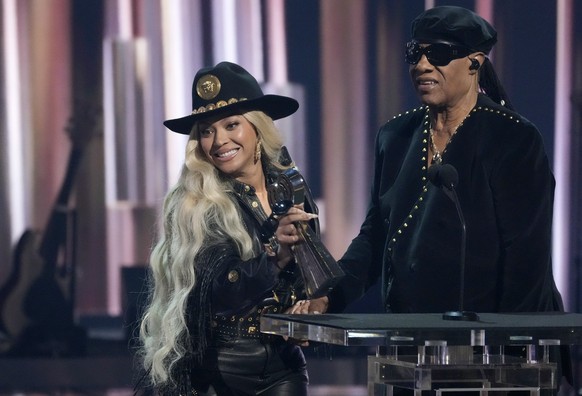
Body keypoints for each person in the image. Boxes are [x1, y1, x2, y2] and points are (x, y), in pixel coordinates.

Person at [301, 5, 572, 390]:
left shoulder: (513, 139)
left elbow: (525, 263)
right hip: (413, 353)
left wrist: (507, 361)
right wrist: (330, 296)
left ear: (475, 62)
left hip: (491, 359)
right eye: (416, 53)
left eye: (439, 54)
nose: (423, 65)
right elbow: (376, 237)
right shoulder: (395, 136)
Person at [137, 61, 319, 395]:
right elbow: (220, 290)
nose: (219, 140)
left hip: (284, 367)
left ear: (257, 128)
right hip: (219, 370)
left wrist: (306, 308)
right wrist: (275, 258)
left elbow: (308, 272)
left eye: (231, 124)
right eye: (207, 130)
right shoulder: (194, 202)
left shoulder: (291, 185)